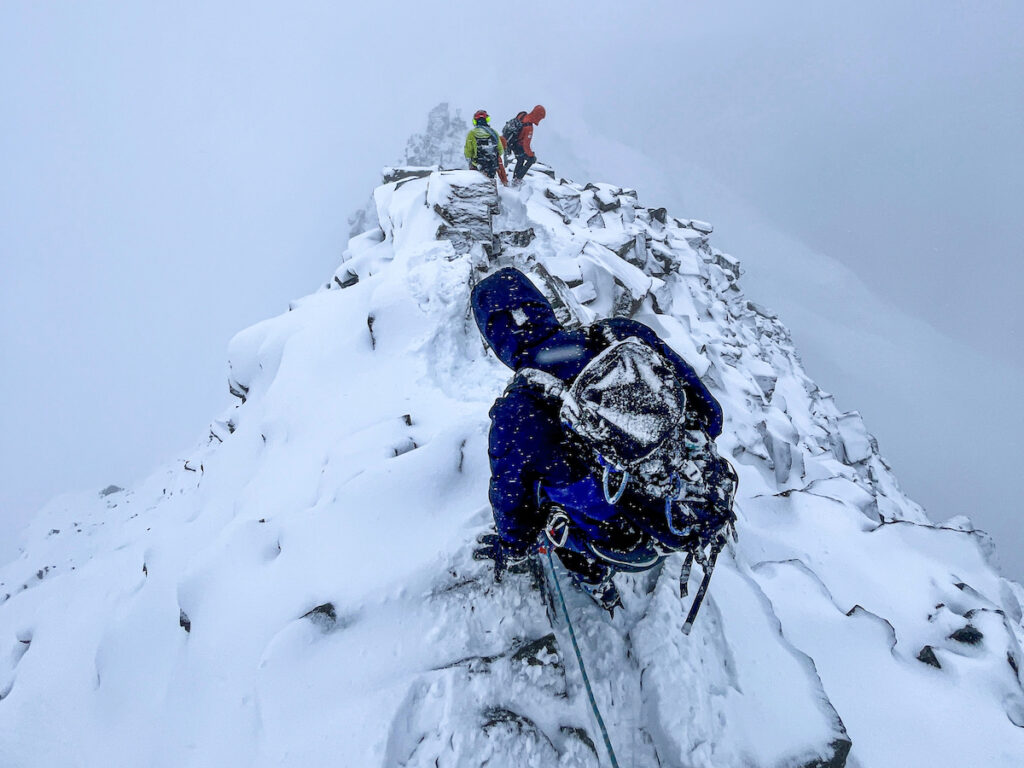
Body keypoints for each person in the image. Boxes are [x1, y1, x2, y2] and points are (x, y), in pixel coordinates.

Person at [471, 267, 736, 621]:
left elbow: (512, 505)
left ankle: (598, 582)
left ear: (496, 340)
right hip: (692, 496)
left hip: (626, 543)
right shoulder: (619, 335)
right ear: (543, 307)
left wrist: (511, 548)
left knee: (553, 514)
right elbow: (710, 414)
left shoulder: (517, 411)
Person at [503, 105, 546, 184]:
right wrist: (531, 155)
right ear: (538, 115)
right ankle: (517, 179)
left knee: (520, 159)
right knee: (530, 160)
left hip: (511, 142)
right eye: (541, 118)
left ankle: (515, 178)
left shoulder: (522, 115)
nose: (540, 120)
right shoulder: (529, 127)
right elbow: (526, 145)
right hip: (517, 145)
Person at [464, 109, 507, 185]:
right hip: (492, 165)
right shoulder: (494, 132)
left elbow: (468, 152)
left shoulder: (472, 133)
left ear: (475, 121)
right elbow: (500, 150)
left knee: (477, 184)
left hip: (477, 164)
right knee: (490, 182)